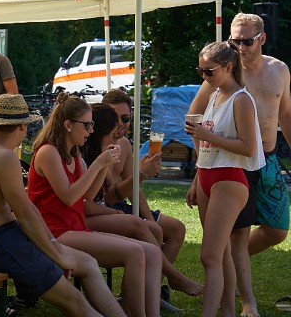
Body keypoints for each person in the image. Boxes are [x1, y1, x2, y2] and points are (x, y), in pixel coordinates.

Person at [0, 94, 186, 317]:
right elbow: (26, 213)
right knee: (72, 300)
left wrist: (55, 248)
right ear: (21, 127)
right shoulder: (4, 157)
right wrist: (56, 254)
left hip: (3, 239)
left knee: (87, 263)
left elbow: (28, 211)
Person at [187, 13, 291, 317]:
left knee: (277, 230)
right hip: (233, 164)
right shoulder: (222, 76)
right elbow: (195, 119)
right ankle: (244, 300)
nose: (240, 46)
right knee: (236, 236)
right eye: (234, 40)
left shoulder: (278, 70)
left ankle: (227, 272)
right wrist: (201, 168)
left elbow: (287, 113)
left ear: (262, 39)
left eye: (246, 40)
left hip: (265, 160)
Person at [27, 93, 173, 317]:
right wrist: (97, 165)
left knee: (150, 251)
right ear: (68, 125)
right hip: (55, 234)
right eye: (87, 124)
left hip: (75, 228)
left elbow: (87, 197)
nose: (91, 130)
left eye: (92, 124)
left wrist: (103, 165)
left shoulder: (73, 154)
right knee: (136, 252)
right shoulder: (48, 152)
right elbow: (68, 197)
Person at [80, 103, 202, 301]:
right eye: (117, 120)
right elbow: (91, 201)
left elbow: (114, 194)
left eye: (126, 119)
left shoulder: (119, 146)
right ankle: (171, 279)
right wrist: (137, 176)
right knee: (140, 227)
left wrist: (141, 176)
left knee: (162, 228)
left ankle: (149, 296)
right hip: (92, 215)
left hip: (105, 209)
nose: (121, 125)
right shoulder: (87, 155)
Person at [184, 42, 264, 317]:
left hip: (229, 179)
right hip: (207, 176)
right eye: (201, 70)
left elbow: (248, 147)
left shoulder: (241, 100)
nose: (205, 76)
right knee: (222, 253)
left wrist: (208, 135)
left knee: (210, 256)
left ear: (229, 67)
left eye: (209, 70)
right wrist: (196, 181)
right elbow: (206, 146)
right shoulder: (216, 95)